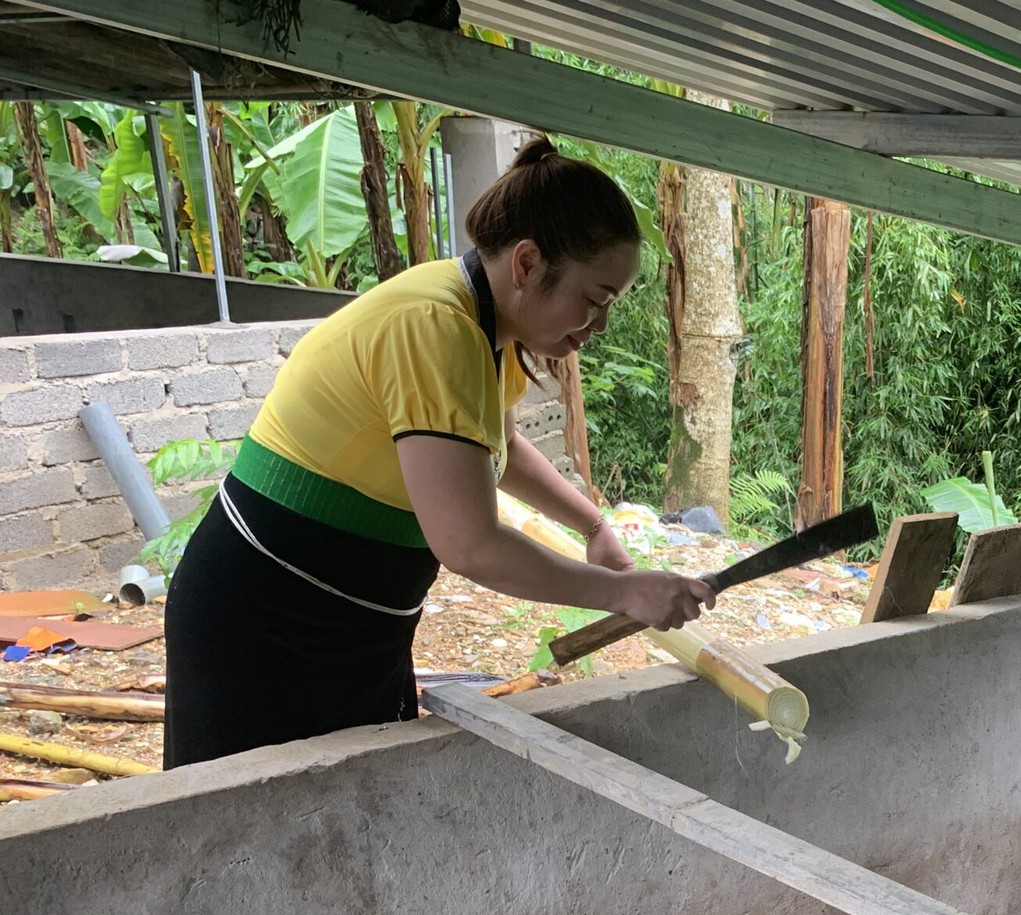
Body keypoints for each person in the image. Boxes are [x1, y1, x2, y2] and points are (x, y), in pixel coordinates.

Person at [163, 136, 711, 768]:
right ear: (527, 264)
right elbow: (472, 546)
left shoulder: (485, 325)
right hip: (267, 614)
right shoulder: (436, 325)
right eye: (594, 299)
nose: (599, 325)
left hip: (359, 614)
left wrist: (593, 525)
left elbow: (498, 443)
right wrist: (623, 593)